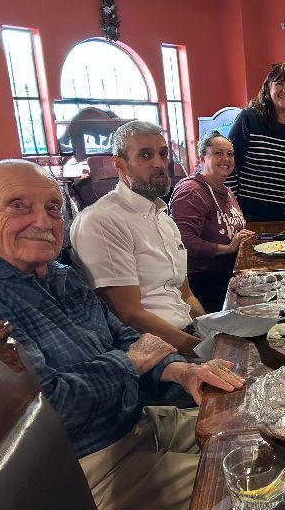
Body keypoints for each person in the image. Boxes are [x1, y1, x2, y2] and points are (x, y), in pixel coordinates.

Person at [0, 159, 244, 510]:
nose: (42, 220)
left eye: (53, 207)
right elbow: (51, 408)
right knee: (257, 484)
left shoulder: (58, 273)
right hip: (85, 469)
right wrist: (129, 364)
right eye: (18, 205)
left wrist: (180, 371)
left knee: (256, 422)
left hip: (134, 420)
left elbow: (124, 335)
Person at [71, 120, 204, 356]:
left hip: (188, 335)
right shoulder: (102, 220)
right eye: (145, 155)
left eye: (162, 154)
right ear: (120, 165)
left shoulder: (164, 219)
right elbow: (128, 314)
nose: (158, 163)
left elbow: (185, 294)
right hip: (154, 354)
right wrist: (201, 350)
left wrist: (212, 332)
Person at [170, 130, 254, 313]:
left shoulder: (227, 191)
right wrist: (228, 249)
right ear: (202, 157)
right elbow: (183, 242)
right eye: (218, 153)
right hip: (204, 283)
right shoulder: (191, 191)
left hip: (228, 276)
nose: (226, 158)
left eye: (230, 154)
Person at [226, 63, 285, 221]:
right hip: (249, 220)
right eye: (279, 84)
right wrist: (233, 210)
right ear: (268, 88)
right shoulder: (249, 119)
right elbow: (230, 166)